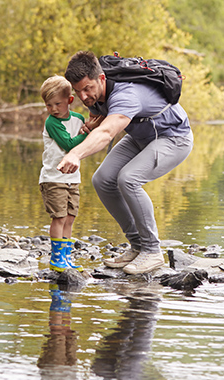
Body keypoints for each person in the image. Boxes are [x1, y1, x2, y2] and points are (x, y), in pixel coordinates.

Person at [58, 51, 193, 275]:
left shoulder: (126, 93)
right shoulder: (96, 94)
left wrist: (75, 154)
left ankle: (152, 250)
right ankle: (138, 245)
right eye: (78, 91)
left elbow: (108, 132)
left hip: (174, 138)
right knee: (102, 180)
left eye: (87, 88)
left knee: (128, 179)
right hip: (142, 137)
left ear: (101, 79)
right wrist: (92, 124)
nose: (83, 96)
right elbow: (103, 119)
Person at [39, 76, 87, 271]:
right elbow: (69, 144)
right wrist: (87, 133)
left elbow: (84, 144)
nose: (53, 109)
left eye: (57, 104)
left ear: (70, 100)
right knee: (58, 217)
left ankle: (67, 257)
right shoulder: (52, 123)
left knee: (69, 217)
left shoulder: (79, 119)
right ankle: (56, 257)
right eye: (49, 105)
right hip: (53, 179)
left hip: (72, 178)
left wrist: (89, 128)